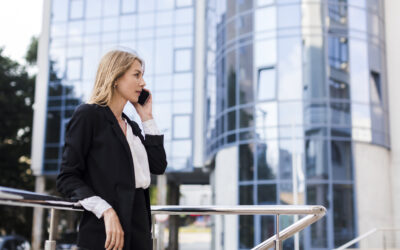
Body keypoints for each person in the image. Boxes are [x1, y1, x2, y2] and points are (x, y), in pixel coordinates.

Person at [56, 49, 167, 250]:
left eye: (142, 75)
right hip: (105, 233)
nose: (143, 83)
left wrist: (146, 117)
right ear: (115, 77)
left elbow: (158, 165)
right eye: (137, 75)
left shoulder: (131, 125)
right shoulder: (88, 115)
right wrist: (105, 210)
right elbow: (67, 177)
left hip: (139, 228)